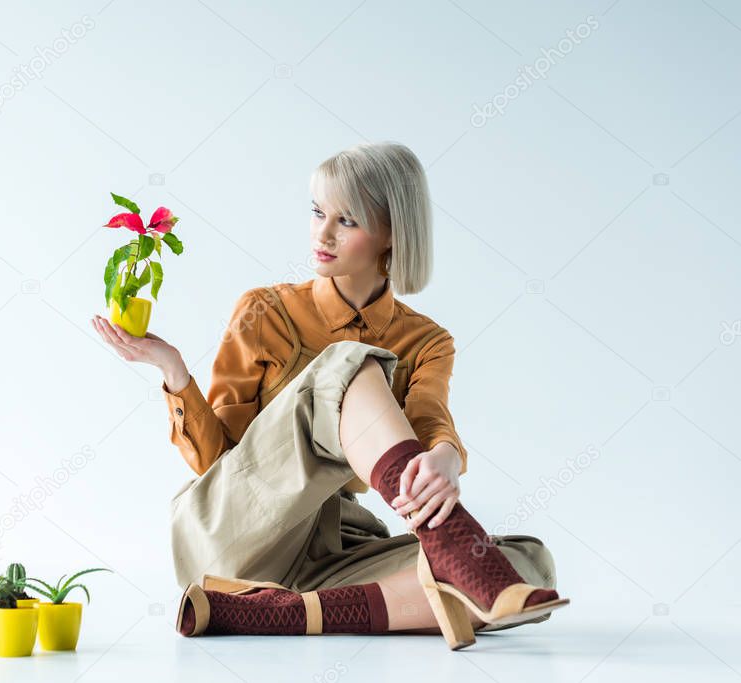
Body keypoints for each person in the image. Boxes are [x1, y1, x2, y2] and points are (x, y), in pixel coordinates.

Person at [91, 141, 568, 650]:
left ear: (392, 233)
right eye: (319, 212)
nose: (322, 233)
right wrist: (174, 372)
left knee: (529, 563)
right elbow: (215, 459)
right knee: (350, 361)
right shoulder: (265, 310)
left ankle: (283, 613)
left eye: (348, 220)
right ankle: (453, 552)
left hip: (333, 548)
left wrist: (447, 456)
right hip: (237, 530)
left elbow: (430, 421)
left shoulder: (427, 341)